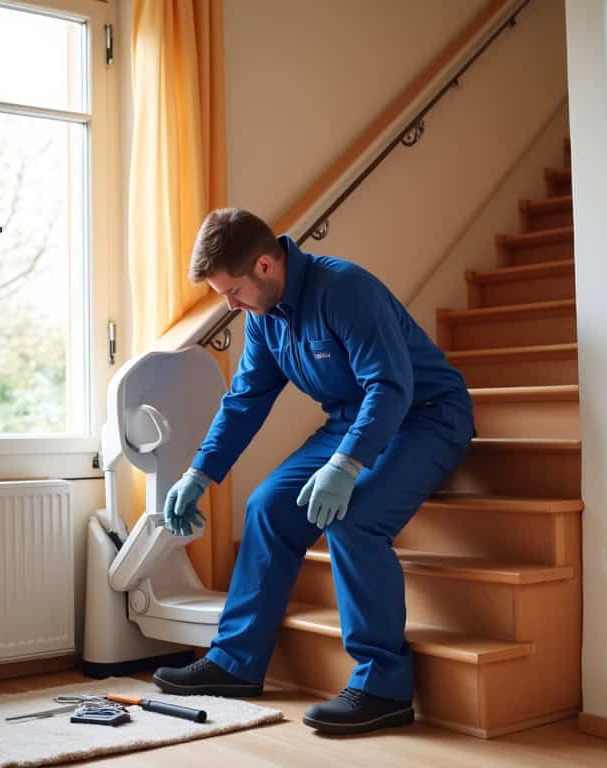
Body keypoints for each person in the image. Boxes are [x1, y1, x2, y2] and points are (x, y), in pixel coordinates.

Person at [152, 208, 475, 735]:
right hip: (350, 421)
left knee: (353, 517)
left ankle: (383, 685)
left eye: (231, 291)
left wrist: (347, 464)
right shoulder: (263, 316)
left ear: (264, 266)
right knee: (267, 506)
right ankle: (236, 662)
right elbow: (245, 401)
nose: (228, 305)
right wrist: (199, 474)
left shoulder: (346, 290)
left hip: (426, 416)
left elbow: (391, 387)